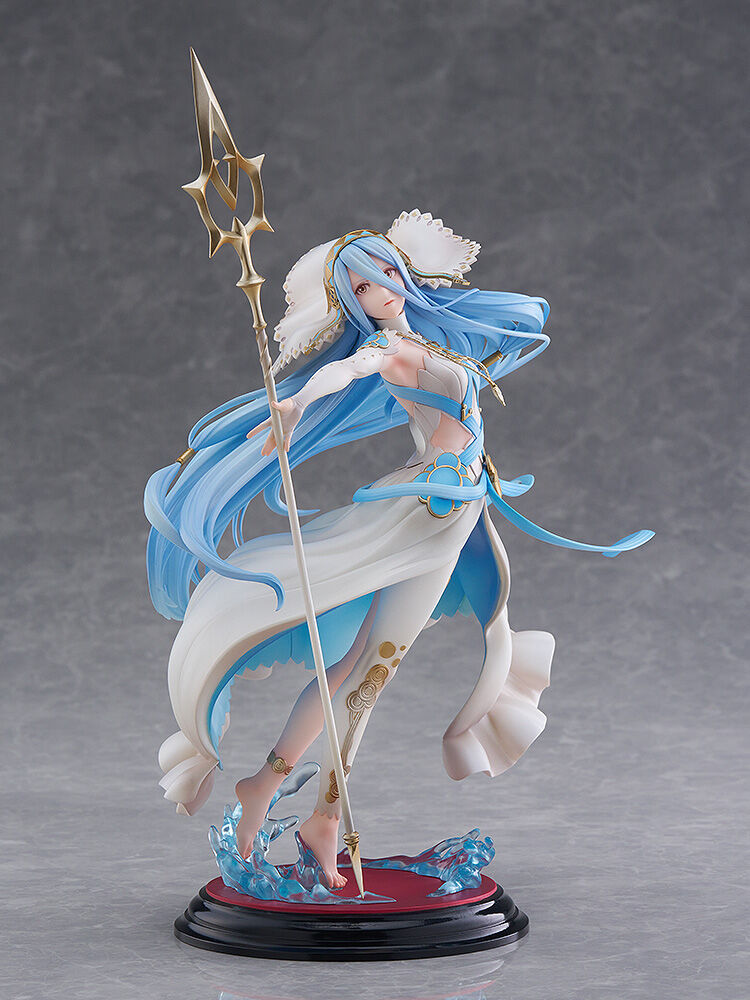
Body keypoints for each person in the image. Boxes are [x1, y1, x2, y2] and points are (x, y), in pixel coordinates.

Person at [145, 212, 652, 889]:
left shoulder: (426, 338)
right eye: (362, 287)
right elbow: (350, 368)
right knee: (370, 675)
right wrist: (296, 405)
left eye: (386, 272)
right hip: (429, 514)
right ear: (350, 304)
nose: (382, 290)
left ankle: (265, 785)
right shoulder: (389, 347)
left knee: (357, 666)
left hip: (455, 507)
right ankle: (324, 819)